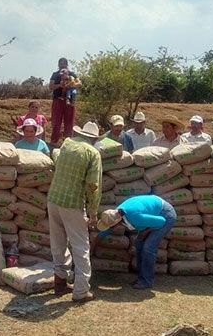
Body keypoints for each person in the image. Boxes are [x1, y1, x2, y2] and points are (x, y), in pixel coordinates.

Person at [47, 121, 102, 303]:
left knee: (58, 243)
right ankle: (81, 291)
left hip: (53, 199)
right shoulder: (92, 153)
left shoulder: (67, 144)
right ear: (94, 139)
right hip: (72, 203)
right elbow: (93, 186)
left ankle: (60, 283)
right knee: (81, 247)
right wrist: (93, 213)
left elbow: (55, 157)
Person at [95, 195, 176, 289]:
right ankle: (141, 277)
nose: (110, 228)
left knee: (148, 247)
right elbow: (103, 233)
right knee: (139, 243)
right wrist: (91, 248)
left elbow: (161, 221)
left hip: (165, 215)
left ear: (116, 222)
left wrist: (145, 232)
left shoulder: (135, 218)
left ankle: (146, 281)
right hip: (150, 213)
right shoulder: (114, 214)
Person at [49, 57, 82, 146]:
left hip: (70, 101)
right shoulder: (55, 74)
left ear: (67, 64)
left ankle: (68, 144)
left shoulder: (71, 74)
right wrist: (60, 85)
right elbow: (51, 86)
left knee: (69, 123)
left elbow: (79, 83)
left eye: (64, 63)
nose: (62, 65)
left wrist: (71, 84)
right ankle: (53, 143)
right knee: (56, 123)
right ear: (58, 64)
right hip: (58, 100)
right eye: (60, 63)